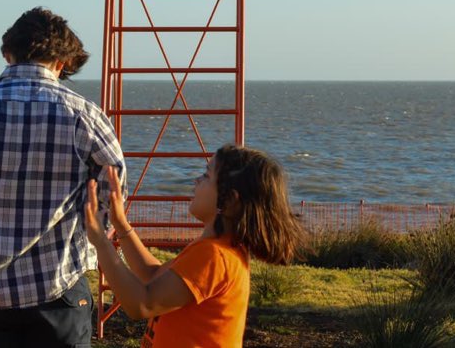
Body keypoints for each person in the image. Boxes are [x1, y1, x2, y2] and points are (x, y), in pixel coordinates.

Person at [0, 7, 126, 348]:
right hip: (58, 290)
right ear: (62, 63)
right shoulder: (87, 116)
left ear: (8, 54)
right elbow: (112, 200)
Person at [85, 144, 304, 348]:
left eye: (207, 176)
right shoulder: (217, 249)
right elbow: (152, 276)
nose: (196, 181)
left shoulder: (215, 256)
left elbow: (142, 304)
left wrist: (101, 243)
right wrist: (121, 225)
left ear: (229, 201)